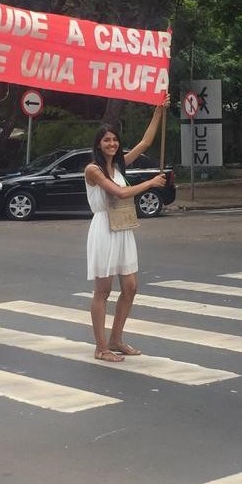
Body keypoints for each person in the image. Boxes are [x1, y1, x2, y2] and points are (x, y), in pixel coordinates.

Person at [84, 102, 167, 362]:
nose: (112, 143)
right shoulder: (93, 170)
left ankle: (116, 338)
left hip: (122, 228)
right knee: (103, 290)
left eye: (115, 139)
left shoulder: (118, 165)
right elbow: (119, 193)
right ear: (98, 144)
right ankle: (101, 347)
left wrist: (158, 112)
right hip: (103, 229)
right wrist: (151, 183)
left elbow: (144, 143)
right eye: (106, 140)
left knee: (130, 287)